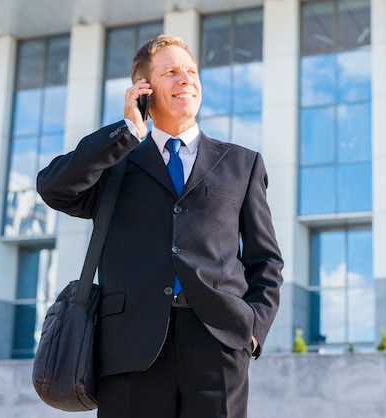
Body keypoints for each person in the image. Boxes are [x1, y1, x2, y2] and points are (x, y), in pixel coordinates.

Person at [36, 34, 284, 418]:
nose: (186, 79)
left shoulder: (243, 164)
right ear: (144, 90)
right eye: (171, 72)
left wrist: (251, 331)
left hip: (217, 344)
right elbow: (55, 187)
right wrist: (126, 131)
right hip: (129, 348)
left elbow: (265, 260)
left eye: (191, 71)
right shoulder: (115, 163)